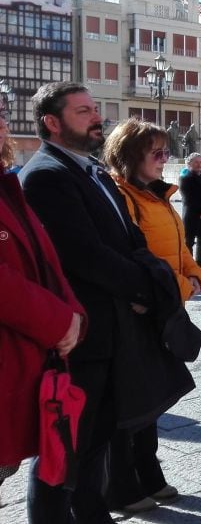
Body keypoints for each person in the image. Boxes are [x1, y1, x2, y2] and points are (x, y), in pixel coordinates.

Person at [19, 81, 177, 522]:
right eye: (83, 111)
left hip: (113, 333)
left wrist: (153, 274)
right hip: (82, 337)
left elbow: (131, 238)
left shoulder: (92, 171)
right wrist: (145, 290)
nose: (96, 117)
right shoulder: (47, 176)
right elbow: (84, 255)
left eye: (94, 109)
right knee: (63, 451)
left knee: (97, 441)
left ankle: (93, 514)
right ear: (52, 122)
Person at [102, 118, 201, 513]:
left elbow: (178, 245)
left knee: (154, 398)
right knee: (133, 401)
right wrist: (181, 287)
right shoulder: (121, 195)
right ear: (130, 155)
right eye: (156, 153)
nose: (165, 159)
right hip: (142, 308)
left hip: (165, 303)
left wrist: (193, 274)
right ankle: (123, 483)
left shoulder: (156, 194)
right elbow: (134, 255)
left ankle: (148, 471)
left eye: (166, 151)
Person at [0, 98, 85, 502]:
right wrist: (59, 321)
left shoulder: (7, 187)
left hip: (25, 363)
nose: (2, 124)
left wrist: (74, 316)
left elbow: (44, 259)